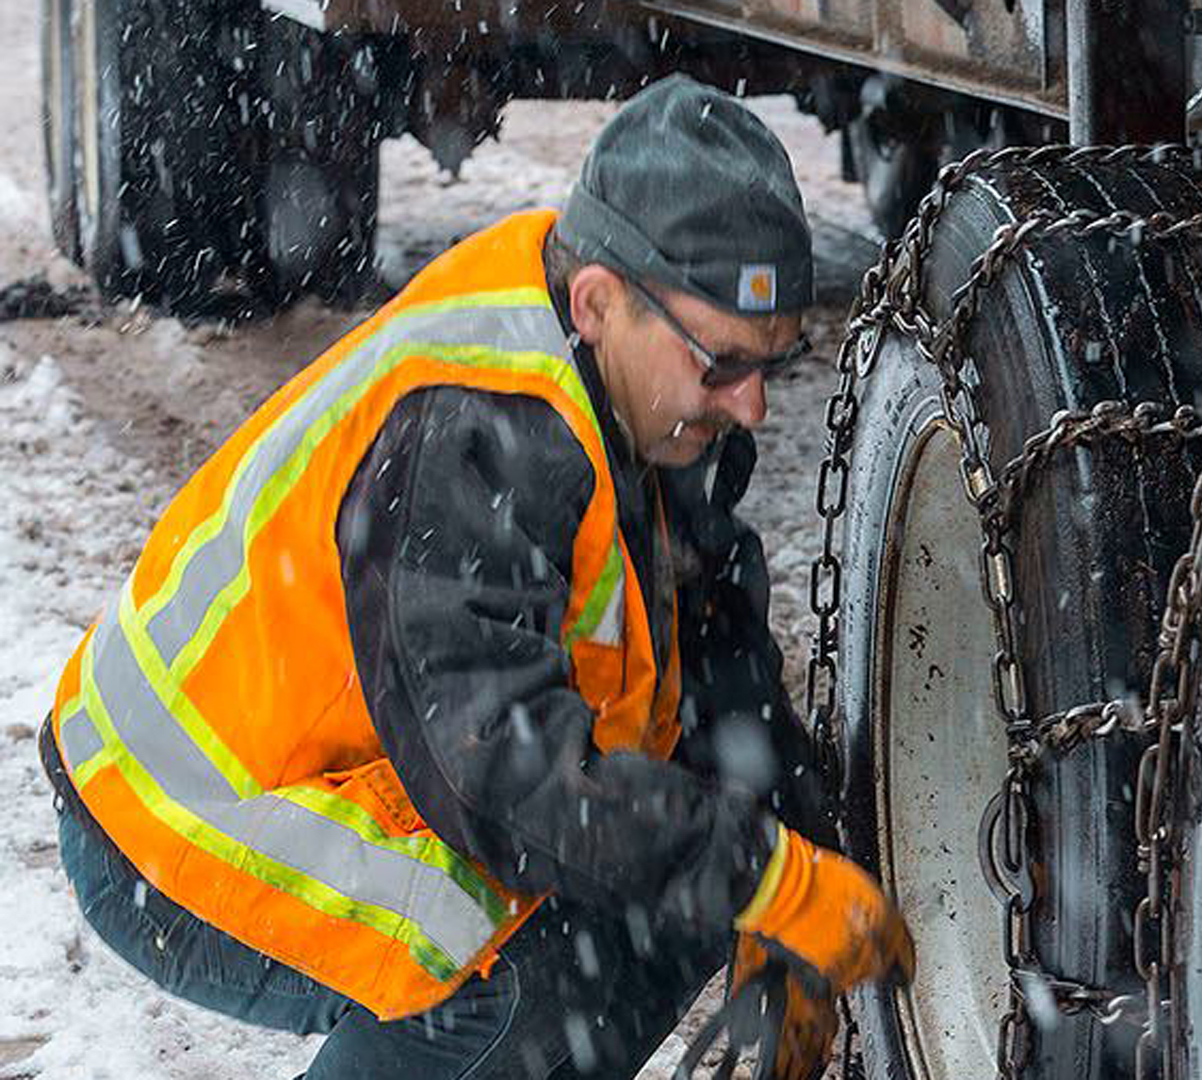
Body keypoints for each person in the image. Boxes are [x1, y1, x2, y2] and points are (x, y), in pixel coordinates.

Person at [38, 74, 912, 1079]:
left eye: (774, 363)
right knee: (503, 975)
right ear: (598, 303)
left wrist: (791, 866)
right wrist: (759, 874)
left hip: (349, 771)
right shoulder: (475, 434)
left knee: (671, 896)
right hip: (175, 820)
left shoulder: (643, 379)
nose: (753, 406)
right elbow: (499, 773)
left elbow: (716, 653)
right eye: (723, 365)